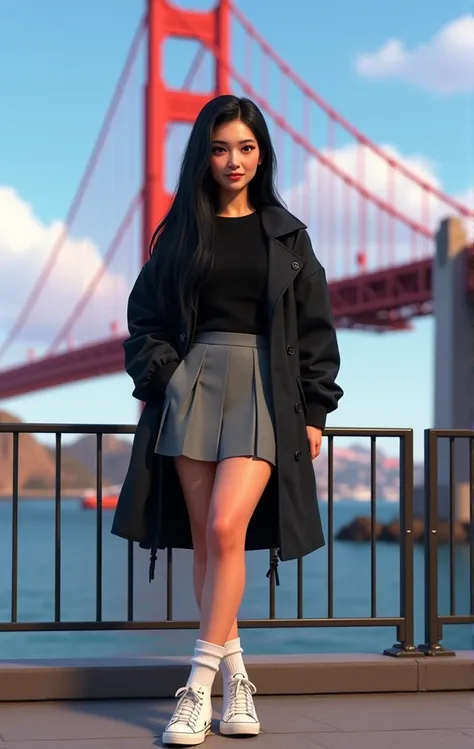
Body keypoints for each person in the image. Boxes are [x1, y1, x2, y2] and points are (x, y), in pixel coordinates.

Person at [111, 94, 343, 746]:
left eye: (245, 147)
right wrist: (168, 377)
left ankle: (197, 686)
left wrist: (316, 408)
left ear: (262, 152)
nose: (233, 159)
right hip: (194, 387)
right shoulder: (182, 232)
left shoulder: (288, 235)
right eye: (219, 148)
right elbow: (145, 318)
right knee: (213, 541)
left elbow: (318, 327)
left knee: (224, 522)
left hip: (265, 390)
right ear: (203, 156)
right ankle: (238, 677)